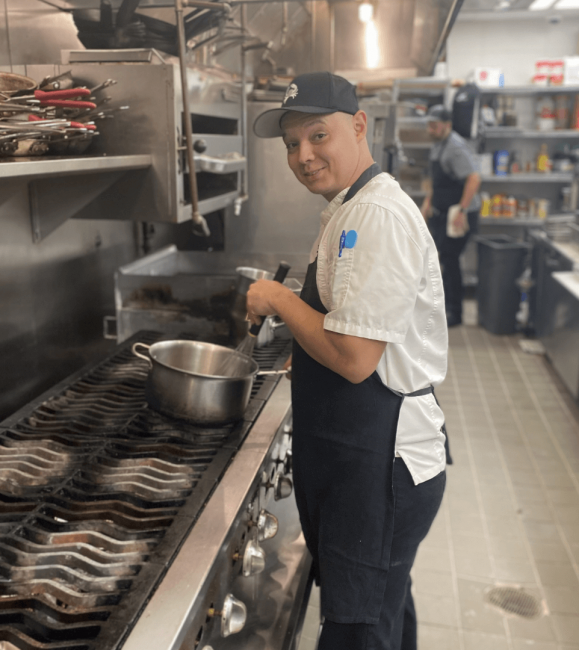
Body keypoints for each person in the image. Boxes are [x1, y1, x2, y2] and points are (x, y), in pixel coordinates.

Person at [246, 71, 448, 650]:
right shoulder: (349, 207)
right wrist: (304, 357)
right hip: (366, 459)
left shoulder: (373, 215)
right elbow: (350, 328)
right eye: (291, 144)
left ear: (358, 126)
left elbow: (356, 358)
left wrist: (279, 299)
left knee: (358, 630)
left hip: (378, 469)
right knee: (381, 612)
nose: (303, 156)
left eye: (317, 136)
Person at [421, 104, 482, 328]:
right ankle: (444, 308)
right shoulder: (437, 145)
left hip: (460, 214)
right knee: (443, 259)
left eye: (434, 125)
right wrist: (426, 205)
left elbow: (474, 178)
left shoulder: (456, 147)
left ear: (447, 126)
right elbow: (435, 181)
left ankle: (455, 314)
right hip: (443, 211)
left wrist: (462, 211)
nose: (430, 129)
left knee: (450, 259)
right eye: (429, 124)